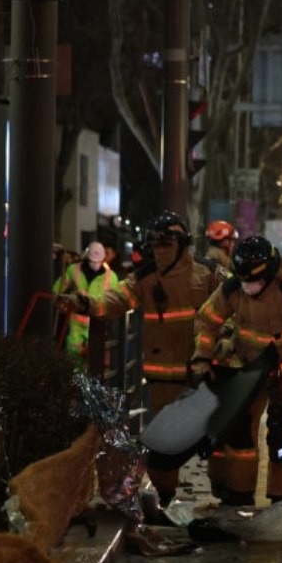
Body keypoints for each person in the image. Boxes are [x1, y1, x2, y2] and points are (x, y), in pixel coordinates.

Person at [56, 212, 227, 518]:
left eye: (165, 243)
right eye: (155, 244)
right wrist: (85, 304)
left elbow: (234, 305)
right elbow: (115, 298)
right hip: (163, 378)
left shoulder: (208, 273)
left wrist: (226, 345)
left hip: (205, 372)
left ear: (182, 244)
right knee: (165, 441)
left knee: (216, 436)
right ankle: (165, 499)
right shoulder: (144, 277)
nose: (159, 250)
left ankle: (226, 494)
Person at [191, 235, 282, 506]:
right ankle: (238, 493)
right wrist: (202, 355)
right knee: (239, 433)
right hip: (247, 372)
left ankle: (281, 498)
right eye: (245, 281)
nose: (249, 287)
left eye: (255, 281)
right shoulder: (233, 288)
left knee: (281, 435)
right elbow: (206, 320)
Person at [53, 241, 120, 365]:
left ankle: (87, 382)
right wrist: (60, 299)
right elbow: (58, 288)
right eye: (92, 261)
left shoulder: (111, 277)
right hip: (76, 321)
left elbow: (115, 301)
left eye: (97, 262)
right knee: (73, 353)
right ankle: (76, 382)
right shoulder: (73, 270)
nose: (95, 265)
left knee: (94, 358)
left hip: (97, 322)